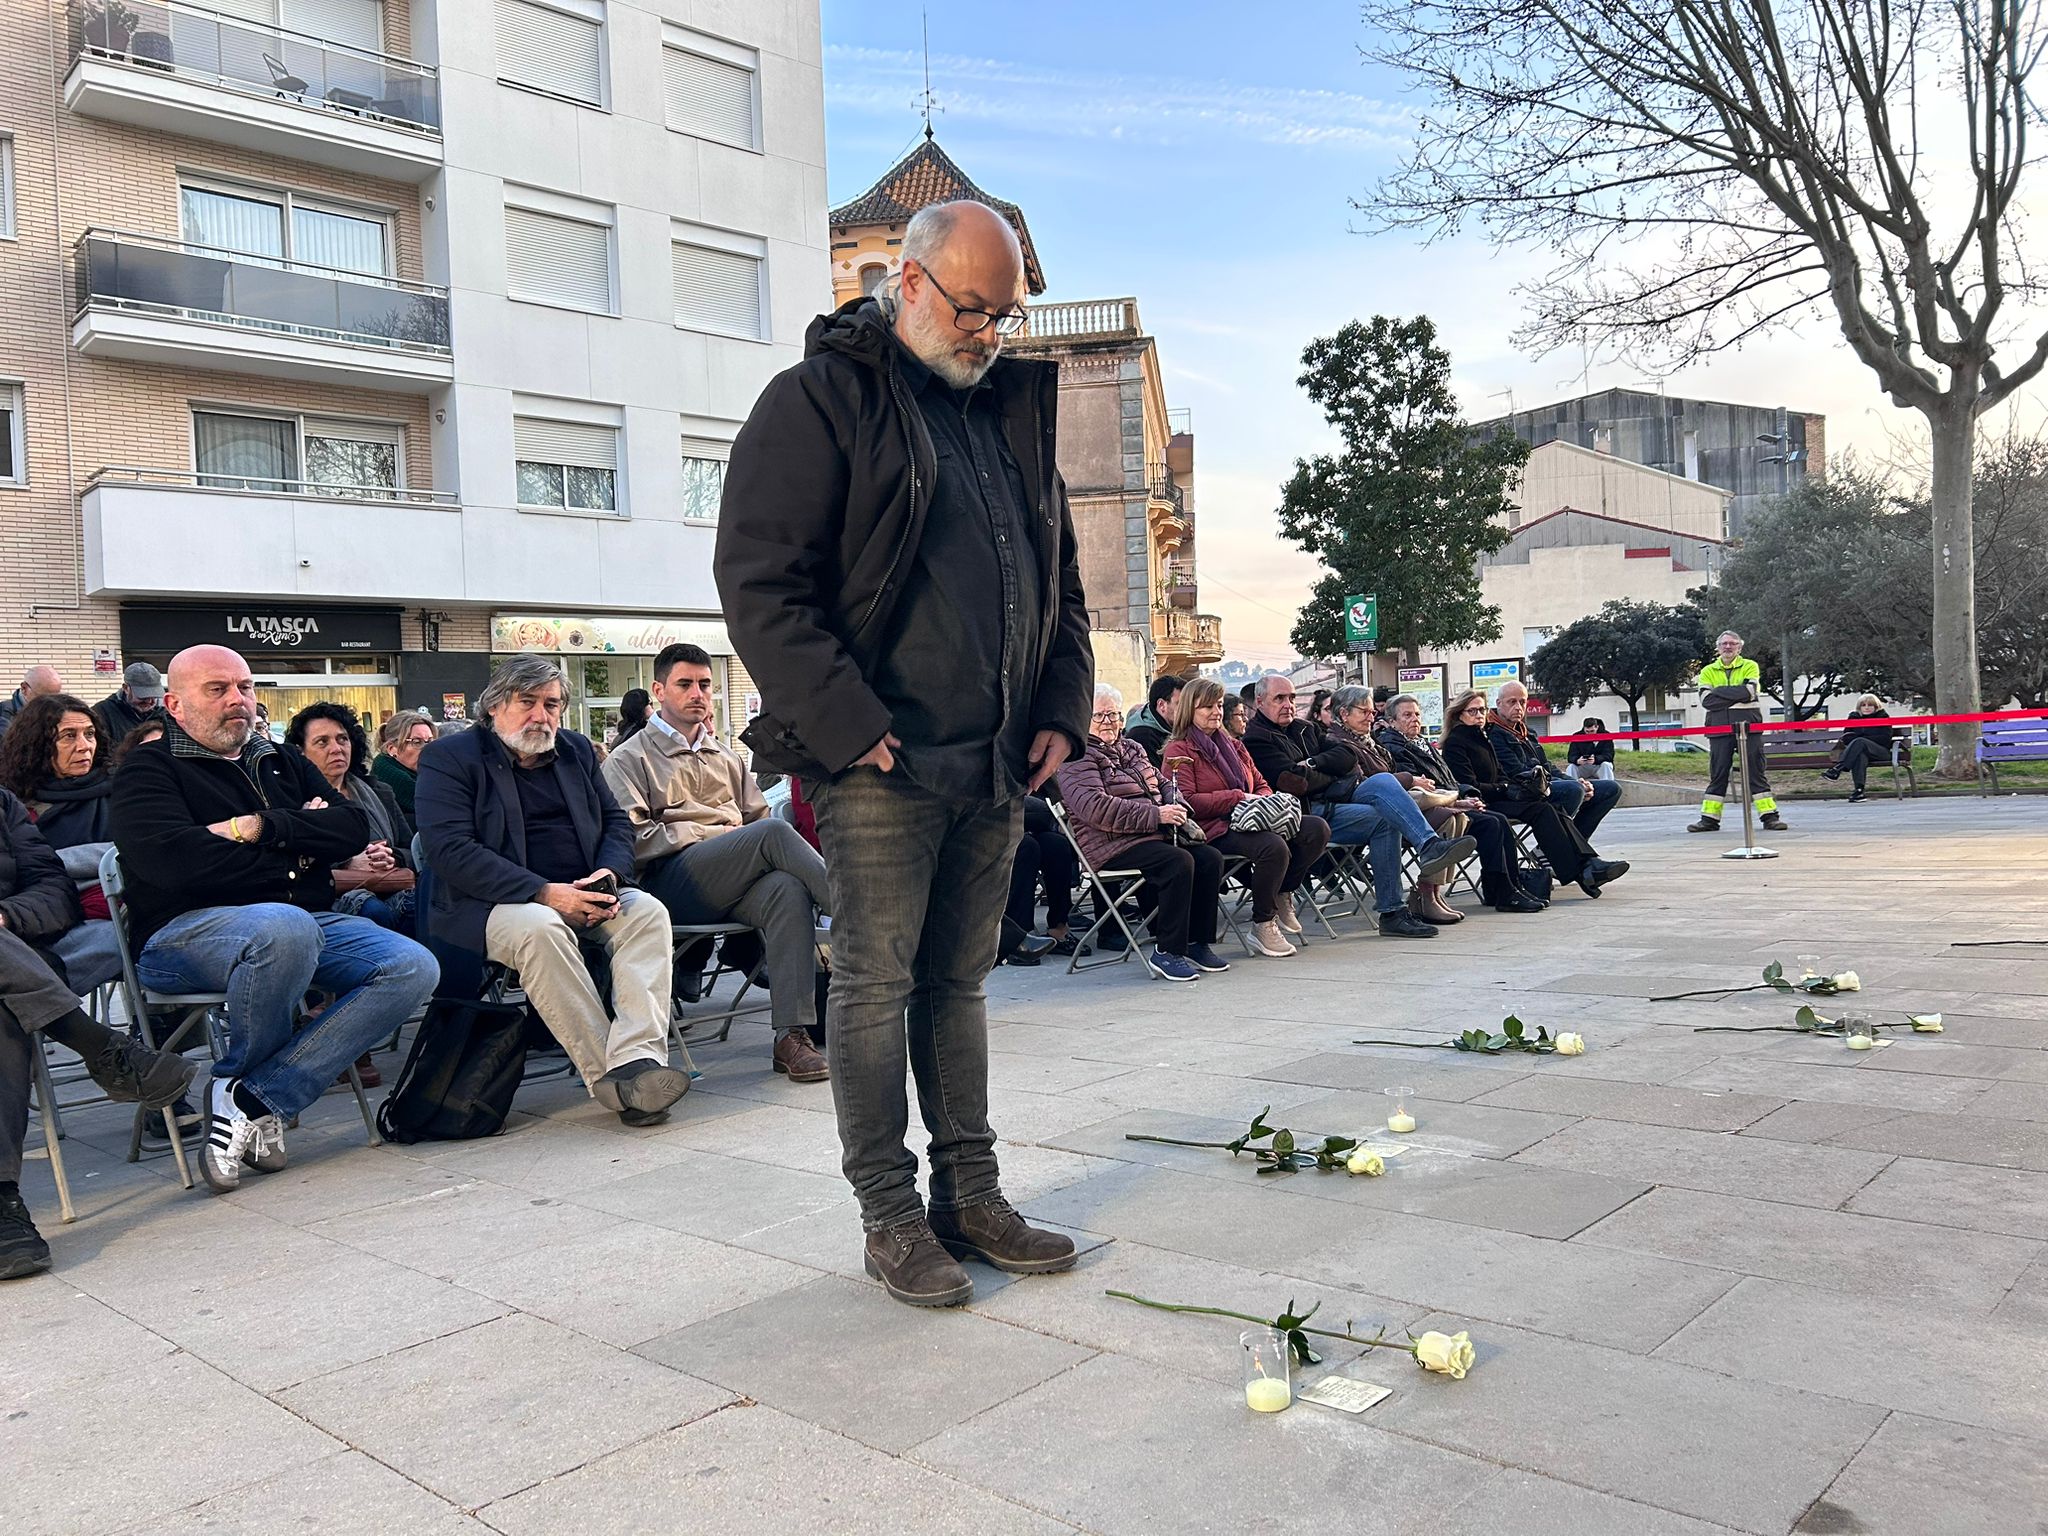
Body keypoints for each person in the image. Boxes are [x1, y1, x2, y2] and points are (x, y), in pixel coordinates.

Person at [715, 200, 1094, 1308]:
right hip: (880, 761)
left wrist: (1060, 708)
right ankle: (889, 1216)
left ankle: (969, 1195)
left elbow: (1062, 586)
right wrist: (846, 722)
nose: (988, 334)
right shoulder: (818, 399)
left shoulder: (1007, 412)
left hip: (996, 757)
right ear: (910, 284)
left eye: (1004, 316)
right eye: (973, 309)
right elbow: (760, 582)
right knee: (876, 987)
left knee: (957, 985)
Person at [111, 645, 438, 1192]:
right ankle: (254, 1097)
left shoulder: (280, 759)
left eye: (245, 687)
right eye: (217, 689)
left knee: (412, 966)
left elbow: (353, 826)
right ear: (174, 704)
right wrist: (301, 845)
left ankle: (252, 1096)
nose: (237, 700)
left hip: (299, 919)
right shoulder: (149, 769)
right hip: (183, 933)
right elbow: (174, 864)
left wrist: (261, 828)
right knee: (284, 927)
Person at [416, 653, 688, 1128]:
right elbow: (450, 850)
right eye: (528, 702)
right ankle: (615, 1080)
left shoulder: (575, 750)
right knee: (541, 928)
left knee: (647, 913)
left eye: (552, 704)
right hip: (490, 905)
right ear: (494, 706)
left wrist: (608, 874)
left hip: (584, 891)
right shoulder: (450, 758)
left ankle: (637, 1057)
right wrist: (544, 892)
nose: (542, 716)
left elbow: (615, 822)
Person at [601, 642, 832, 1084]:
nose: (698, 693)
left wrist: (738, 841)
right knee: (773, 833)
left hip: (732, 881)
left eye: (705, 684)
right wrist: (713, 835)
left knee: (786, 890)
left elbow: (756, 818)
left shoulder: (724, 756)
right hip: (668, 884)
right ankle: (863, 920)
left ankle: (791, 1035)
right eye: (685, 684)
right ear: (658, 691)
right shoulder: (629, 758)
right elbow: (632, 841)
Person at [2, 786, 198, 1278]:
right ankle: (107, 1051)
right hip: (18, 975)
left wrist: (6, 916)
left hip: (14, 959)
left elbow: (53, 890)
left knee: (4, 1013)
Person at [1242, 675, 1470, 938]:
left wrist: (1313, 764)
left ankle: (1405, 890)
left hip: (1335, 800)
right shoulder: (1257, 739)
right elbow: (1294, 782)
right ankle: (1411, 880)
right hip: (1304, 815)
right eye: (1279, 698)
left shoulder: (1304, 728)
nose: (1288, 704)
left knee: (1384, 790)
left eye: (1292, 698)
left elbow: (1347, 757)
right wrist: (1329, 773)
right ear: (1260, 701)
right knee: (1384, 807)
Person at [1057, 685, 1230, 980]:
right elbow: (1096, 808)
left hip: (1151, 834)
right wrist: (1157, 815)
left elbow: (1163, 783)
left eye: (1114, 714)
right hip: (1111, 843)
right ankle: (1167, 951)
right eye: (1099, 715)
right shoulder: (1076, 757)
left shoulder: (1132, 748)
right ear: (1083, 718)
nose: (1108, 722)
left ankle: (1196, 942)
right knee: (1178, 862)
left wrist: (1177, 804)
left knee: (1209, 858)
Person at [1162, 678, 1332, 958]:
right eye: (1207, 707)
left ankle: (1283, 890)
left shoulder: (1234, 746)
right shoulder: (1179, 750)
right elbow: (1186, 801)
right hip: (1213, 827)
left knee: (1316, 829)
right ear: (1189, 710)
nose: (1216, 712)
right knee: (1272, 846)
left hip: (1252, 817)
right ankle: (1263, 923)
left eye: (1219, 705)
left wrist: (1262, 800)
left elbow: (1260, 783)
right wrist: (1237, 798)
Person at [1441, 688, 1630, 898]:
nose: (1479, 716)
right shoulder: (1461, 741)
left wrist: (1573, 781)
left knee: (1553, 806)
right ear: (1459, 714)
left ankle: (1583, 865)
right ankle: (1582, 869)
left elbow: (1520, 771)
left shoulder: (1488, 736)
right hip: (1485, 801)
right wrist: (1505, 788)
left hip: (1509, 792)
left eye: (1482, 710)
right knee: (1551, 803)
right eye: (1472, 711)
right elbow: (1472, 783)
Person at [1375, 692, 1546, 914]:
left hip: (1448, 801)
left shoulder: (1422, 743)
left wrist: (1468, 796)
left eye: (1417, 714)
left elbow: (1450, 781)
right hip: (1426, 811)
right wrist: (1458, 800)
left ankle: (1509, 888)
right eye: (1407, 715)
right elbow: (1422, 787)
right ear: (1391, 722)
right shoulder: (1393, 746)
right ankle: (1499, 892)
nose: (1415, 719)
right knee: (1490, 824)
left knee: (1498, 820)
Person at [0, 692, 128, 989]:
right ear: (39, 745)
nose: (84, 746)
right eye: (68, 736)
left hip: (118, 912)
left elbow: (142, 848)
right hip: (41, 922)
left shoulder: (121, 789)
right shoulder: (17, 804)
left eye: (90, 734)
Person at [287, 703, 416, 955]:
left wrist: (391, 857)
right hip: (329, 900)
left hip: (390, 887)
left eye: (342, 739)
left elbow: (412, 848)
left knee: (423, 906)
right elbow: (288, 864)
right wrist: (348, 862)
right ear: (301, 752)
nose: (336, 748)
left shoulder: (379, 792)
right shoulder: (292, 800)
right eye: (322, 742)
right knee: (373, 912)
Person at [1487, 682, 1620, 841]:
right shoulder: (1493, 733)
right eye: (1512, 702)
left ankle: (1572, 844)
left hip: (1543, 784)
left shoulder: (1527, 732)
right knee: (1573, 790)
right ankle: (1559, 847)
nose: (1518, 707)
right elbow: (1517, 772)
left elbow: (1547, 766)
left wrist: (1576, 781)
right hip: (1520, 790)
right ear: (1499, 703)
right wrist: (1571, 784)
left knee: (1611, 789)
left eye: (1522, 702)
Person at [1689, 630, 1786, 833]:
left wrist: (1719, 692)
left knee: (1756, 772)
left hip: (1749, 727)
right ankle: (1709, 820)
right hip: (1719, 729)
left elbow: (1750, 692)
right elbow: (1707, 701)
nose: (1728, 647)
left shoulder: (1750, 665)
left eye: (1732, 643)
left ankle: (1770, 817)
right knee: (1718, 773)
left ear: (1739, 647)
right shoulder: (1707, 670)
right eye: (1724, 643)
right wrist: (1737, 694)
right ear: (1718, 647)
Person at [1003, 796, 1080, 962]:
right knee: (1026, 847)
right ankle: (1018, 937)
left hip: (1017, 811)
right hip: (981, 820)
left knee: (1057, 845)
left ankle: (1059, 928)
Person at [1823, 695, 1899, 803]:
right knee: (1859, 756)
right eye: (1863, 705)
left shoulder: (1883, 717)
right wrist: (1863, 739)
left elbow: (1885, 739)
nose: (1866, 707)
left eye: (1870, 705)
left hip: (1880, 752)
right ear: (1859, 707)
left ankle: (1838, 769)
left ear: (1876, 707)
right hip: (1859, 752)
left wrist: (1863, 739)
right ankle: (1859, 792)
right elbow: (1847, 738)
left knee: (1860, 742)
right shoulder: (1854, 717)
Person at [371, 710, 436, 819]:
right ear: (392, 749)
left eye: (430, 741)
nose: (427, 749)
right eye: (417, 742)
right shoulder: (383, 790)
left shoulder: (431, 779)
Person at [93, 662, 165, 747]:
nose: (149, 701)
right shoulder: (102, 713)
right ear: (126, 688)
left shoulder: (166, 713)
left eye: (154, 696)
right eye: (143, 696)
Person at [1124, 673, 1189, 766]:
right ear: (1161, 705)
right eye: (1180, 704)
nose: (1186, 709)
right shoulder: (1142, 737)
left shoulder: (1175, 728)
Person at [0, 666, 64, 738]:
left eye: (56, 697)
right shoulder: (4, 715)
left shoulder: (59, 712)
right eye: (43, 697)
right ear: (24, 688)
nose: (51, 703)